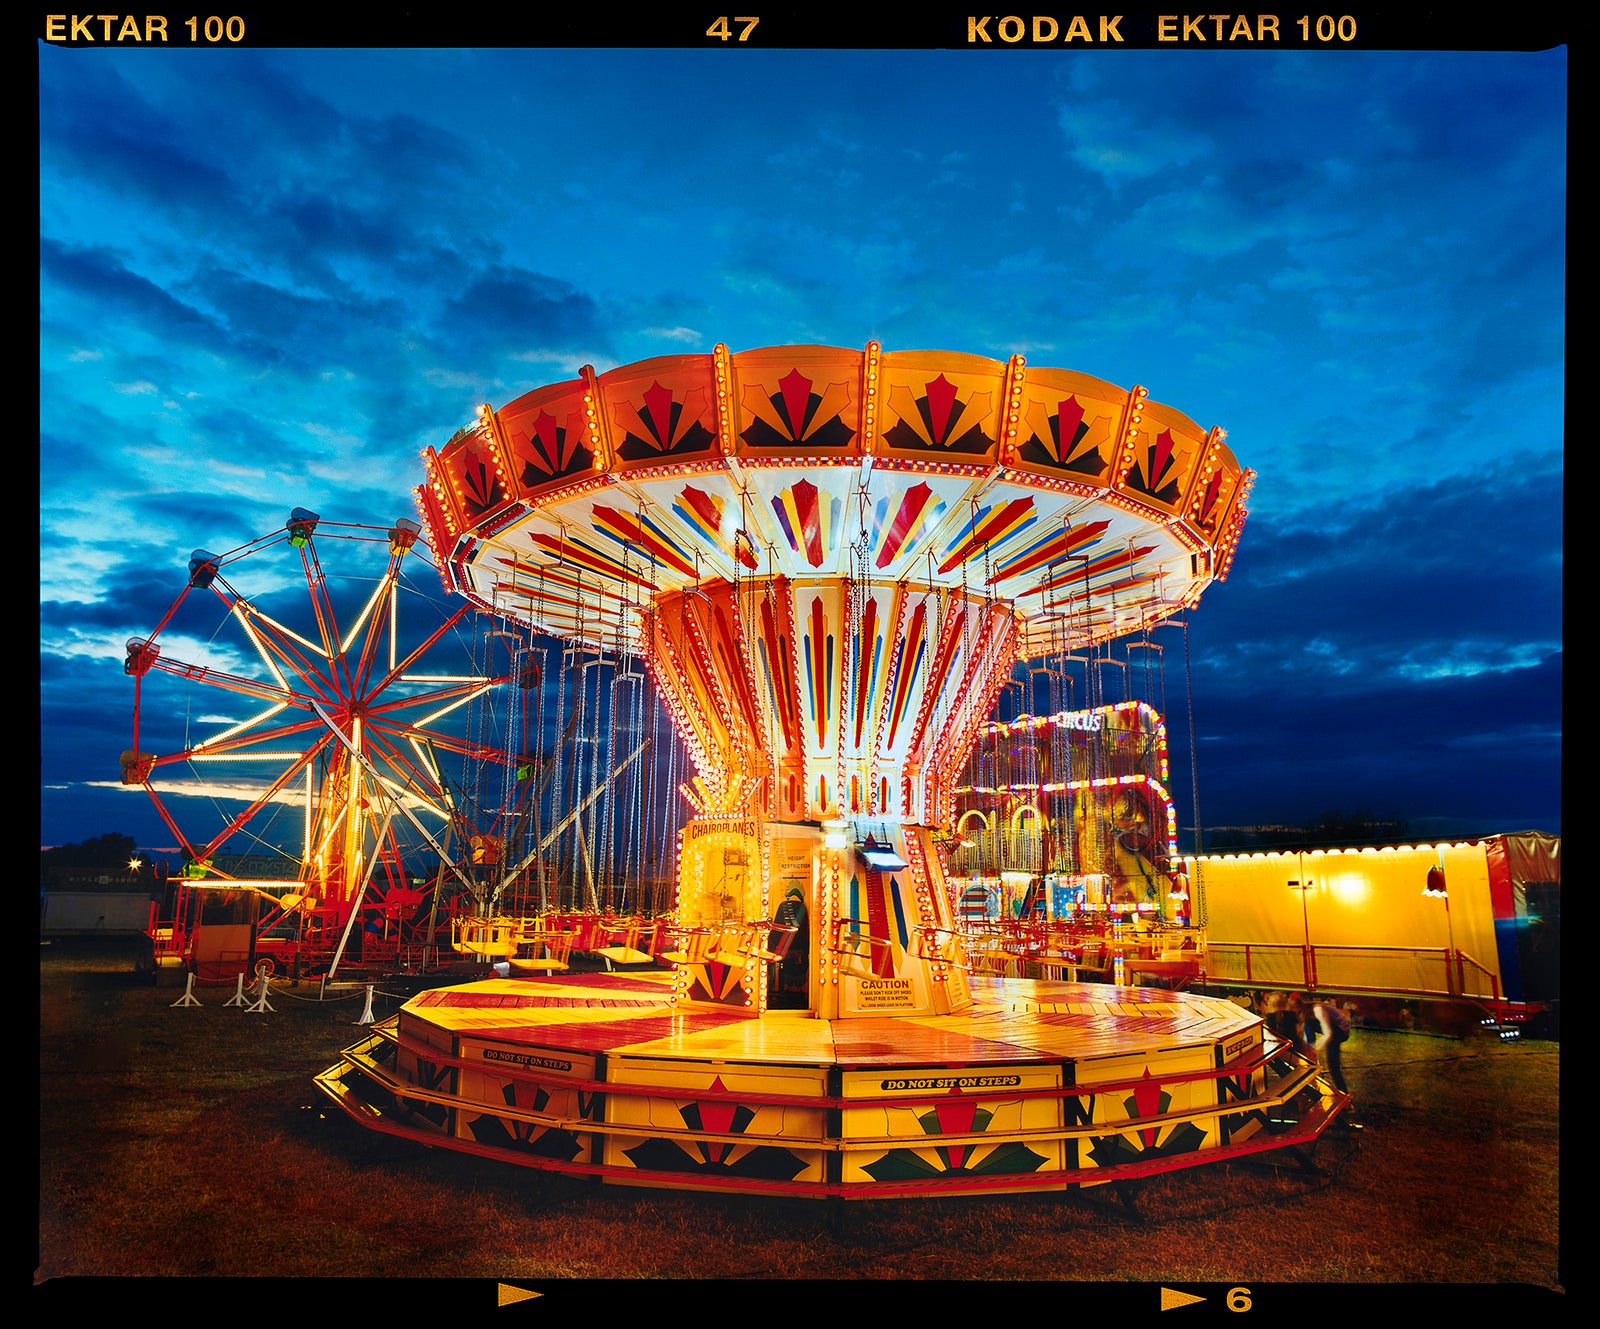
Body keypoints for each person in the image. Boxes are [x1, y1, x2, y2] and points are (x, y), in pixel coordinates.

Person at [1297, 995, 1352, 1094]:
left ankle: (1344, 1094)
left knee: (1333, 1065)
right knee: (1308, 1026)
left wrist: (1314, 1049)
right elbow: (1306, 1034)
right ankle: (1311, 1060)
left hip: (1340, 1031)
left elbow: (1328, 1034)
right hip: (1332, 1029)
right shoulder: (1307, 1016)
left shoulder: (1318, 1010)